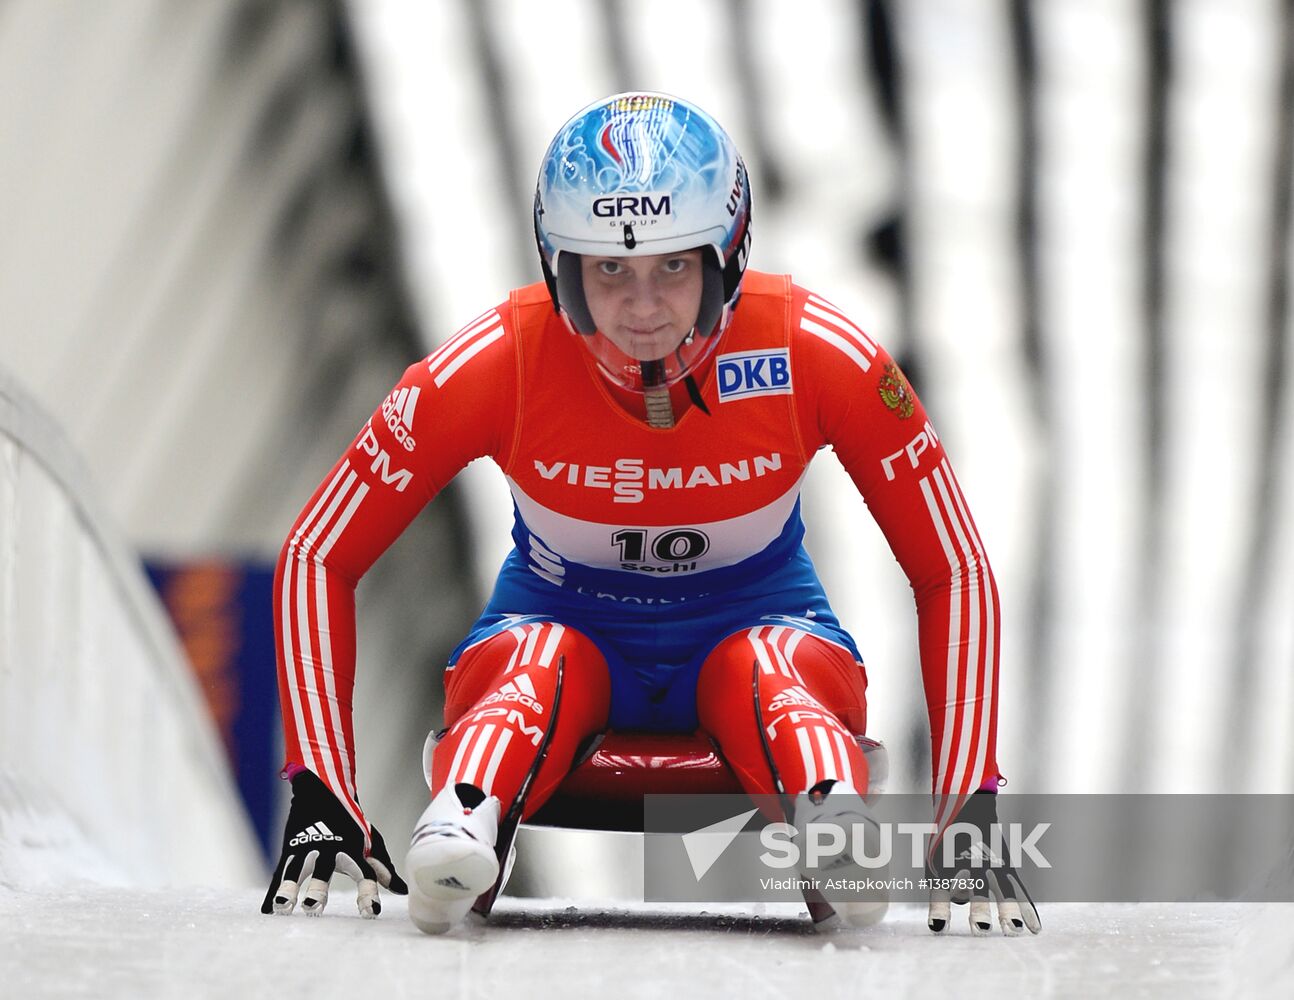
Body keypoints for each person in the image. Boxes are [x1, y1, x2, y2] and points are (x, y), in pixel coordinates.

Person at [260, 92, 1040, 937]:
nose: (641, 308)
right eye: (609, 271)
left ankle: (835, 826)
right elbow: (317, 553)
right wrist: (322, 790)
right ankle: (460, 825)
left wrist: (969, 806)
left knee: (769, 666)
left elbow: (951, 566)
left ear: (726, 258)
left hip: (761, 638)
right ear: (561, 269)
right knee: (535, 659)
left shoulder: (819, 354)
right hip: (560, 640)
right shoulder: (491, 364)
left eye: (673, 267)